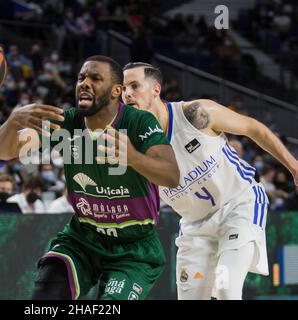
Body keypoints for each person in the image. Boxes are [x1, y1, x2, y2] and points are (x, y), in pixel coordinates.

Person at [0, 56, 179, 300]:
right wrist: (12, 122)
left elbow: (171, 175)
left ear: (117, 91)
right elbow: (4, 151)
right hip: (83, 238)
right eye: (81, 78)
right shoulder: (66, 122)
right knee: (45, 297)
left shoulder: (139, 122)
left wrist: (134, 158)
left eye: (95, 78)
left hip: (134, 248)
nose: (84, 83)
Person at [122, 62, 298, 300]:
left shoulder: (193, 114)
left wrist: (294, 166)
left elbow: (253, 128)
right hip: (195, 227)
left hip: (238, 206)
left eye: (134, 86)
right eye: (123, 89)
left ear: (156, 90)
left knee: (226, 287)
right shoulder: (132, 147)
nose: (127, 94)